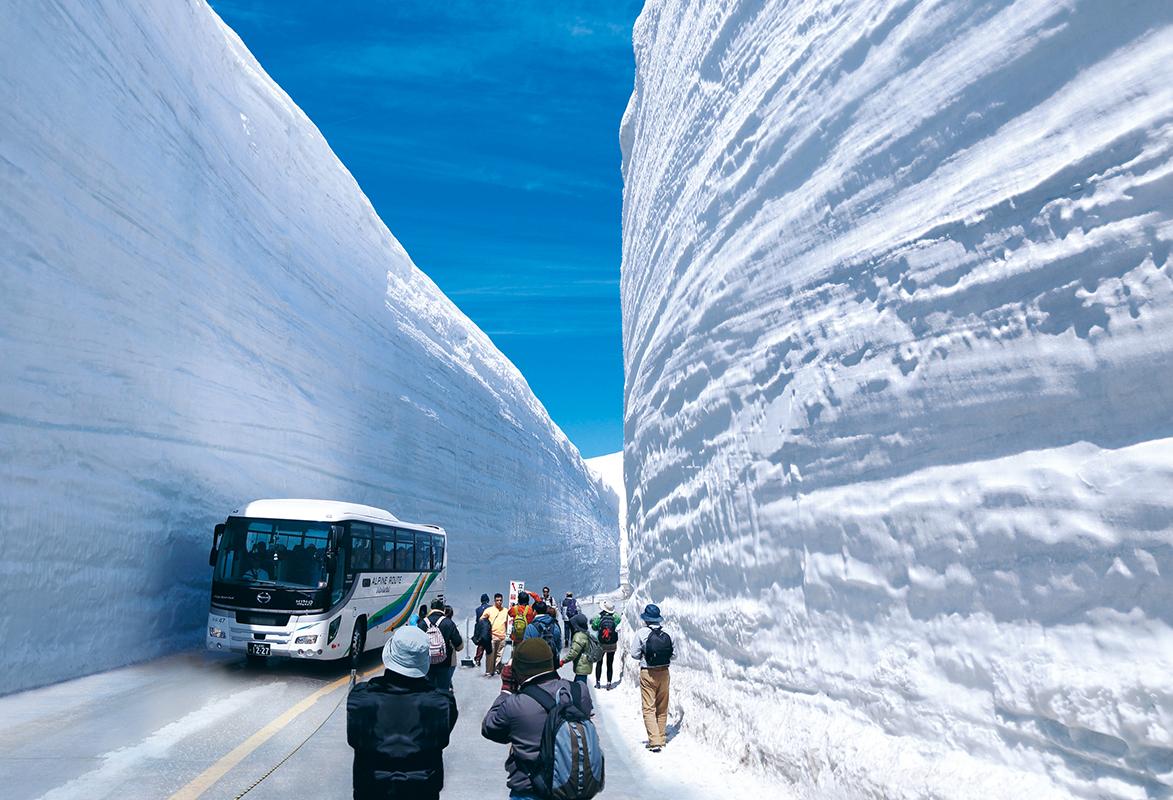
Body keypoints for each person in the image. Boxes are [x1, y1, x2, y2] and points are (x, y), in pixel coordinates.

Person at [347, 626, 458, 799]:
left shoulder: (360, 698)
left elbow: (354, 739)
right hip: (422, 791)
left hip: (371, 789)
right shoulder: (443, 702)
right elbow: (441, 737)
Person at [481, 639, 594, 799]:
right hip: (573, 787)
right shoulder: (579, 691)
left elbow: (490, 729)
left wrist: (506, 689)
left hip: (531, 789)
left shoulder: (516, 703)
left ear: (518, 670)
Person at [629, 603, 673, 752]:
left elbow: (634, 653)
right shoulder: (669, 632)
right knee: (662, 706)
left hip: (648, 672)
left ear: (646, 619)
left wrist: (645, 654)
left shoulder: (641, 633)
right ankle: (661, 737)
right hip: (664, 672)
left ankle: (654, 741)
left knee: (649, 707)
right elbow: (675, 654)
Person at [417, 598, 463, 692]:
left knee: (428, 691)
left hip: (427, 664)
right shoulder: (448, 623)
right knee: (443, 691)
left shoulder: (422, 623)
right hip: (444, 664)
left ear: (431, 608)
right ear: (442, 609)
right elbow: (459, 645)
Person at [590, 599, 622, 689]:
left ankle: (598, 683)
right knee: (609, 663)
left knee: (599, 663)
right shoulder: (616, 617)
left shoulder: (599, 616)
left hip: (601, 643)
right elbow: (619, 625)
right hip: (612, 644)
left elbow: (594, 627)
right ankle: (609, 683)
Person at [481, 593, 509, 676]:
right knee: (490, 654)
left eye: (500, 600)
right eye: (497, 600)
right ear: (494, 601)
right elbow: (481, 619)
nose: (499, 602)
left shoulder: (505, 611)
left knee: (500, 655)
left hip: (502, 636)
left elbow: (507, 622)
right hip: (492, 635)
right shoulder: (489, 610)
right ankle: (489, 671)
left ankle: (497, 669)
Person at [561, 612, 593, 685]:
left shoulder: (579, 636)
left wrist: (563, 661)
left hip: (581, 666)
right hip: (585, 664)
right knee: (579, 684)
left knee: (581, 688)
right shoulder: (586, 633)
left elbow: (573, 653)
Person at [473, 593, 492, 668]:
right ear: (488, 600)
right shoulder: (491, 608)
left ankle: (477, 659)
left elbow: (477, 620)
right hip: (488, 628)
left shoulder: (477, 609)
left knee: (480, 645)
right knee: (489, 645)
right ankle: (490, 662)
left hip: (480, 629)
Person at [444, 605, 461, 683]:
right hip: (450, 660)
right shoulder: (451, 625)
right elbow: (459, 646)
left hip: (434, 660)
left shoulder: (433, 624)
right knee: (446, 682)